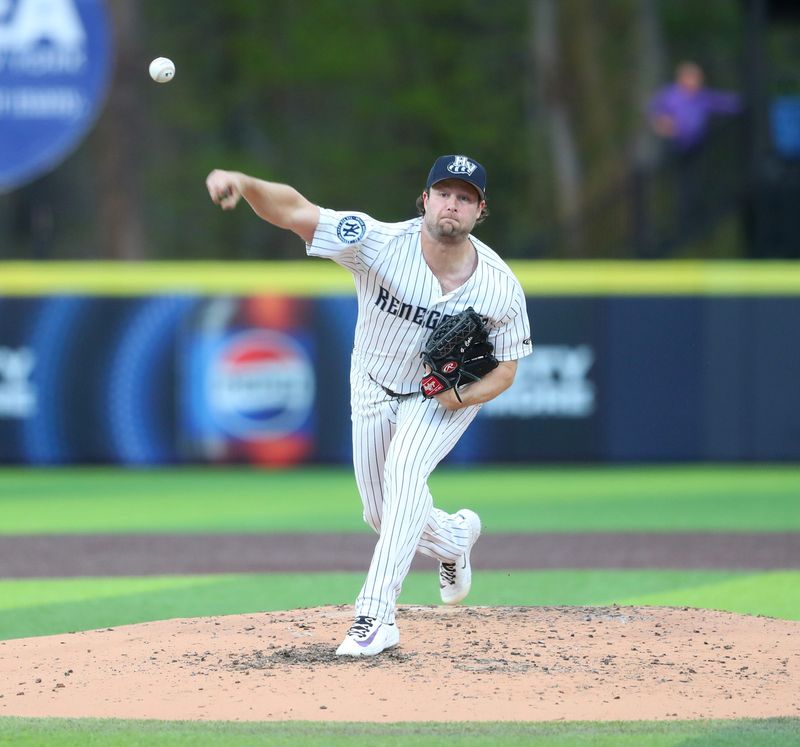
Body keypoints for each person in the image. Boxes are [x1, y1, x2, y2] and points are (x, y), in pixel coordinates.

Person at [205, 155, 533, 656]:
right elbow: (296, 210)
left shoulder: (500, 285)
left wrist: (458, 394)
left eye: (465, 197)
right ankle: (453, 537)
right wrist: (243, 182)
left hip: (440, 396)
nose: (453, 204)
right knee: (381, 513)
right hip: (374, 381)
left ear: (480, 211)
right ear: (424, 200)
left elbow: (506, 371)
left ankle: (375, 615)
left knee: (405, 473)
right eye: (444, 193)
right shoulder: (376, 242)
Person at [647, 61, 742, 152]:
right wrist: (662, 124)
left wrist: (741, 103)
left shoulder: (703, 96)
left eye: (698, 78)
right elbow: (653, 112)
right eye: (693, 77)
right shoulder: (669, 96)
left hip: (700, 146)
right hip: (674, 147)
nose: (697, 81)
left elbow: (724, 103)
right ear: (681, 78)